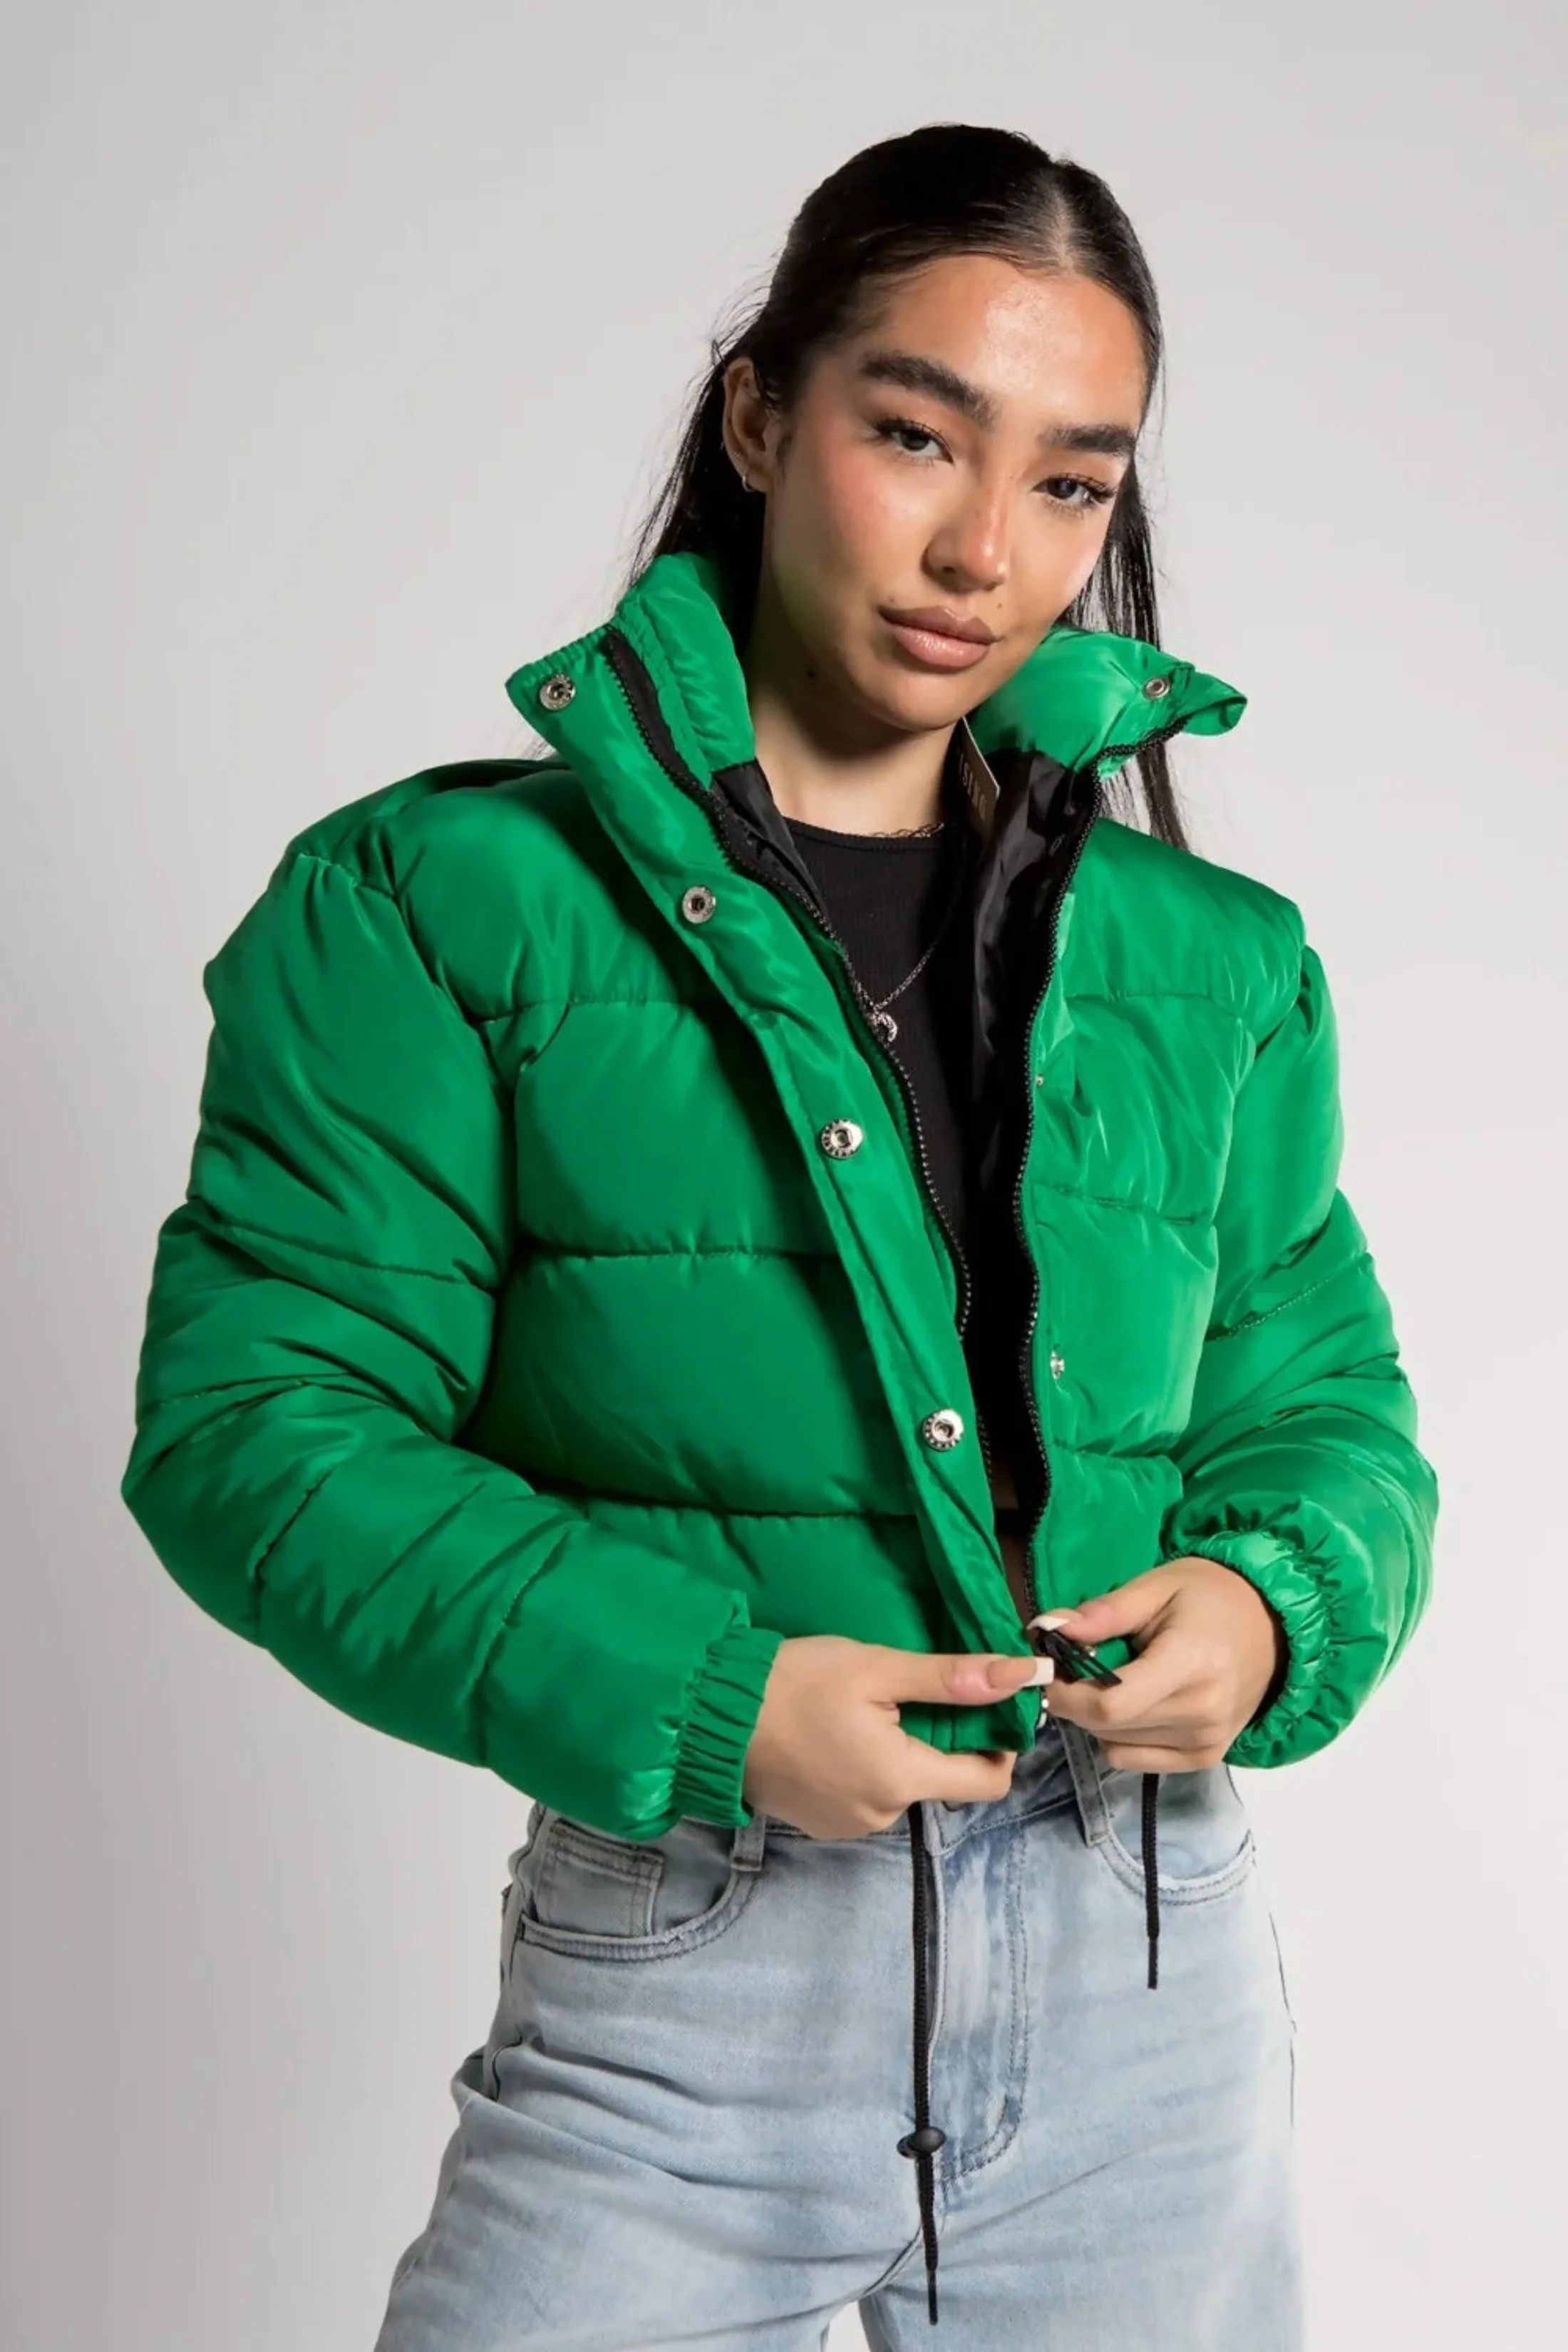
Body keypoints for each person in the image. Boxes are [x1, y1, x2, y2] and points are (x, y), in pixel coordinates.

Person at [120, 122, 1438, 2349]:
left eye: (1070, 482)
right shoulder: (436, 908)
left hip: (1151, 1979)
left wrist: (1272, 1599)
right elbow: (256, 1430)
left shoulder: (1215, 962)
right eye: (916, 433)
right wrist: (712, 1694)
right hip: (691, 1983)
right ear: (759, 415)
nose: (984, 549)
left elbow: (1326, 1413)